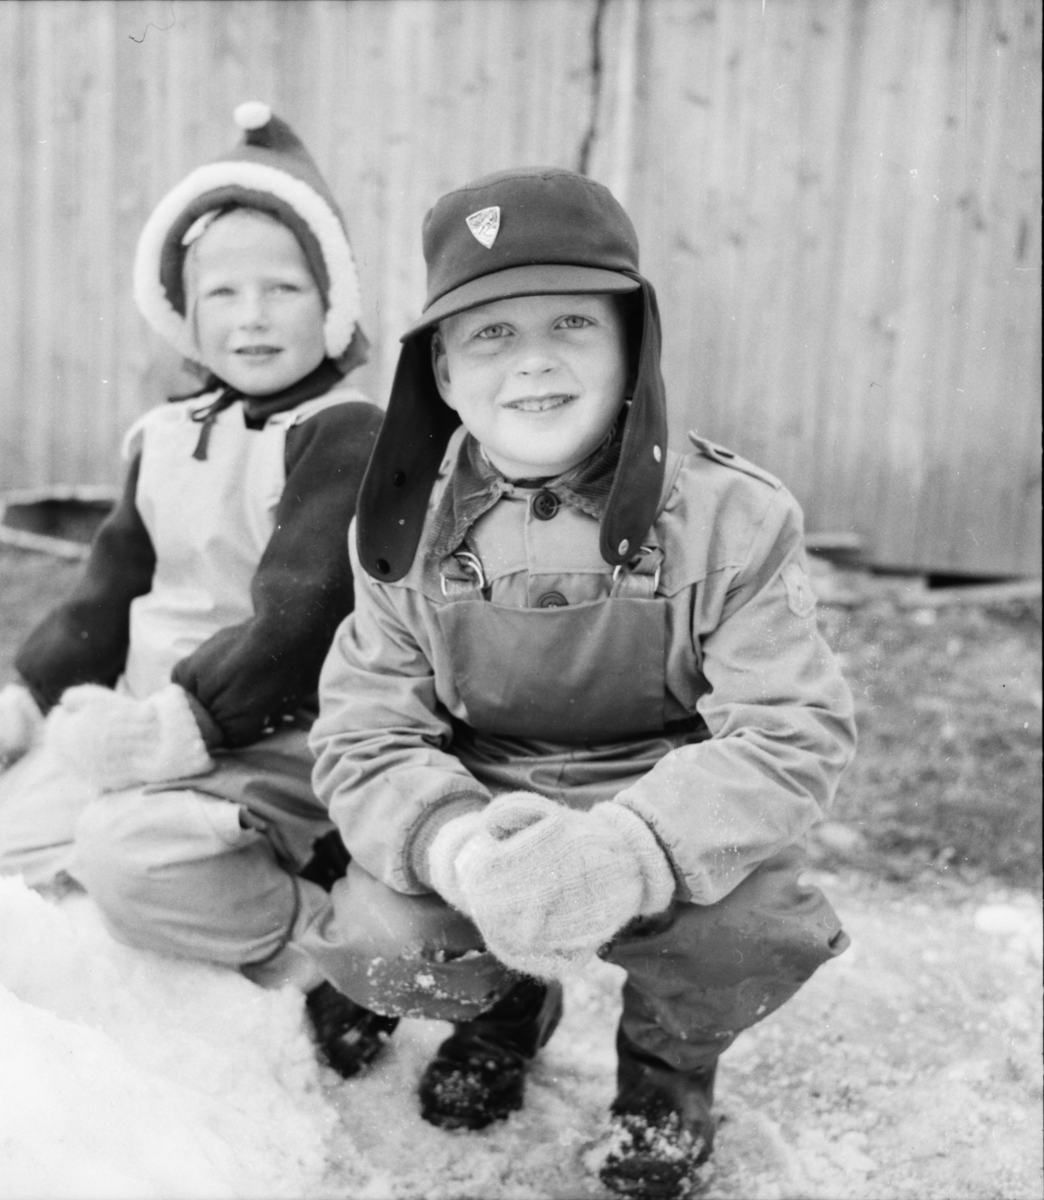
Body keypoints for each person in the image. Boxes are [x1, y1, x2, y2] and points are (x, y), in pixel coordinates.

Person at [304, 166, 856, 1197]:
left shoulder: (736, 518)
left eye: (571, 322)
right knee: (380, 936)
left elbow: (793, 732)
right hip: (482, 806)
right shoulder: (402, 528)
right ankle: (509, 1010)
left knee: (749, 929)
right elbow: (361, 733)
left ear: (632, 346)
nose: (535, 364)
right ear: (444, 376)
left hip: (660, 804)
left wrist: (633, 851)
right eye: (490, 335)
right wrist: (457, 847)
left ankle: (666, 1083)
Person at [0, 102, 398, 1079]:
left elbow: (303, 616)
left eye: (285, 286)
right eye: (224, 292)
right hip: (149, 720)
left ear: (332, 303)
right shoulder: (162, 435)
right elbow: (106, 593)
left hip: (271, 733)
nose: (253, 315)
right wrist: (22, 709)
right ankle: (184, 883)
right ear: (183, 308)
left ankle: (331, 940)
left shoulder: (345, 434)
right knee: (11, 830)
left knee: (121, 861)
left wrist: (172, 735)